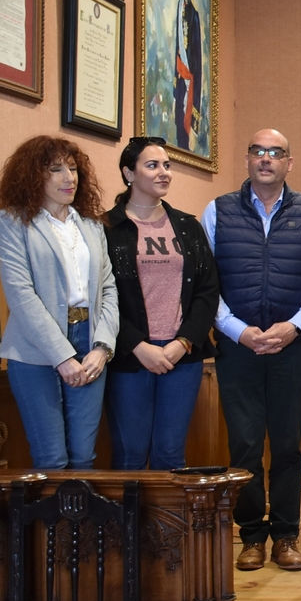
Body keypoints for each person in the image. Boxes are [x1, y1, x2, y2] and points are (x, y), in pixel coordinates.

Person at [201, 128, 301, 572]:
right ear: (247, 158)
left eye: (276, 152)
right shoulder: (218, 211)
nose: (266, 158)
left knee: (289, 446)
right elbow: (206, 285)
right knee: (245, 445)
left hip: (291, 348)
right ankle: (252, 536)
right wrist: (238, 331)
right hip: (238, 349)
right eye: (258, 150)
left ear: (289, 163)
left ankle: (286, 536)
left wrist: (295, 327)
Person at [0, 136, 118, 469]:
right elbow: (21, 294)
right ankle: (51, 525)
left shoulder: (91, 225)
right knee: (52, 457)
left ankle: (80, 525)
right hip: (36, 350)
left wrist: (102, 347)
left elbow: (108, 289)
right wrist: (62, 356)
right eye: (56, 169)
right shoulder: (13, 220)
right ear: (34, 175)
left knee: (83, 456)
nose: (69, 178)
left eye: (74, 169)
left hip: (89, 343)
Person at [104, 136, 219, 470]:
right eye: (152, 165)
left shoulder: (187, 226)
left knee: (170, 453)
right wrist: (138, 345)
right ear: (128, 172)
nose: (163, 172)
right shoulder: (107, 227)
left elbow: (207, 290)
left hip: (181, 357)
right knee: (131, 454)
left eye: (167, 165)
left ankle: (166, 526)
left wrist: (183, 343)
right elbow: (102, 296)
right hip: (130, 356)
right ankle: (130, 525)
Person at [174, 0, 202, 150]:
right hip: (178, 87)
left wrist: (194, 123)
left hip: (188, 89)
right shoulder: (177, 5)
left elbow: (198, 70)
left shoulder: (194, 14)